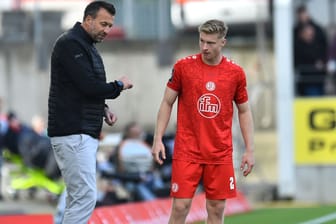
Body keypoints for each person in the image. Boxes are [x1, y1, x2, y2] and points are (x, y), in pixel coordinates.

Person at [151, 19, 255, 224]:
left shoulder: (235, 73)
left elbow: (244, 111)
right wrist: (158, 138)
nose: (204, 47)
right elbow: (166, 103)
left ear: (222, 42)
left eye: (210, 43)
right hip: (187, 150)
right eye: (201, 41)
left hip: (220, 152)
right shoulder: (183, 67)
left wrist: (250, 149)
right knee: (180, 207)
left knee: (216, 209)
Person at [47, 1, 133, 224]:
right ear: (88, 20)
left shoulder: (85, 46)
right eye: (103, 24)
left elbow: (79, 89)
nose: (107, 30)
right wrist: (119, 85)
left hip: (81, 132)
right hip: (73, 133)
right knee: (84, 197)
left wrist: (102, 109)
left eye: (110, 25)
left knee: (79, 197)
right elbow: (88, 86)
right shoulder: (70, 44)